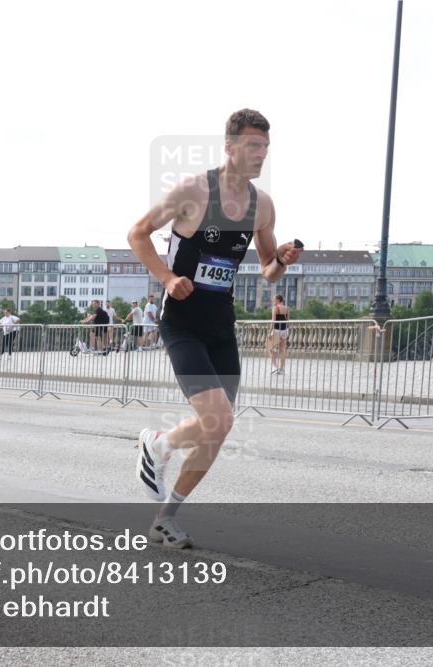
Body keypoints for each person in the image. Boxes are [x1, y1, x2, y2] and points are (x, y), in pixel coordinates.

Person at [127, 109, 301, 547]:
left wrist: (280, 258)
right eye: (252, 146)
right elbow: (138, 233)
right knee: (217, 417)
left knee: (218, 428)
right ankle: (159, 444)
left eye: (265, 147)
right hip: (182, 321)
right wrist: (167, 279)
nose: (260, 154)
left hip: (221, 324)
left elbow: (266, 271)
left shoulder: (262, 205)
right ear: (230, 146)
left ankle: (165, 516)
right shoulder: (194, 191)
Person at [268, 294, 290, 374]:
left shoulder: (275, 308)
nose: (273, 301)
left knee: (270, 347)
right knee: (282, 350)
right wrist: (287, 331)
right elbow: (288, 321)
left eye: (274, 299)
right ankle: (282, 369)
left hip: (277, 330)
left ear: (278, 300)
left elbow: (273, 321)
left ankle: (275, 366)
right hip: (284, 330)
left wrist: (270, 333)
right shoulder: (287, 308)